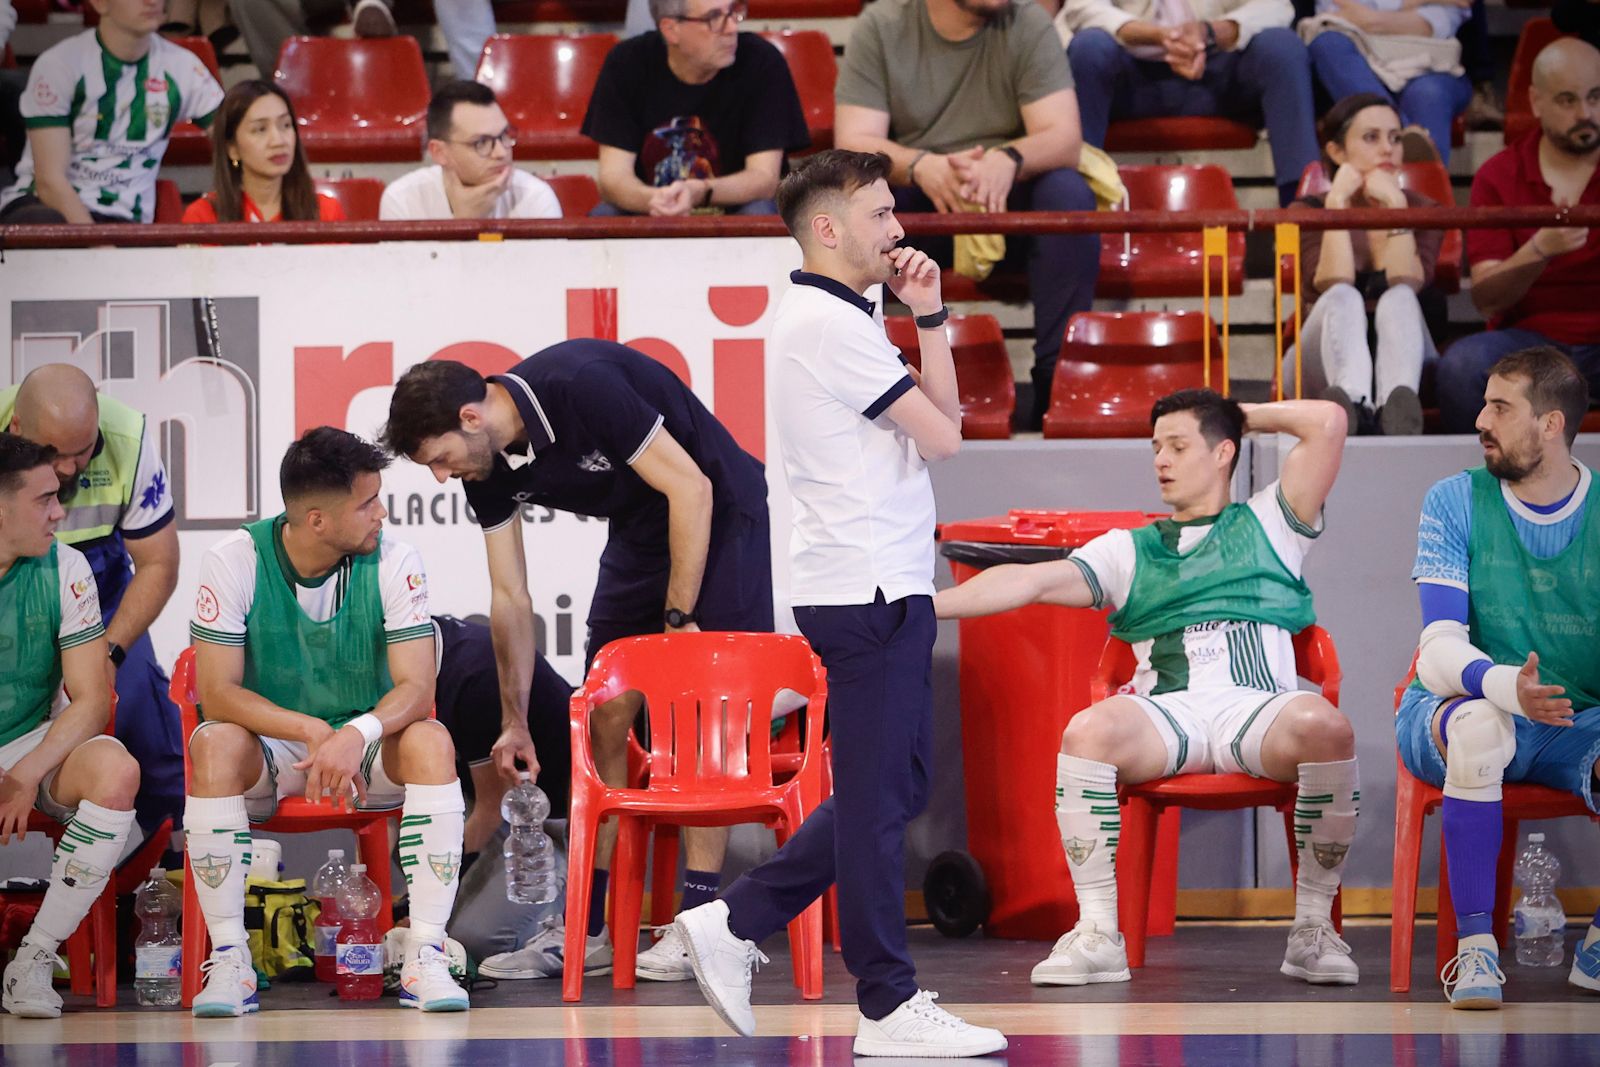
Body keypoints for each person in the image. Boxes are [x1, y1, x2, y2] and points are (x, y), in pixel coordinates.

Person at [671, 150, 1007, 1058]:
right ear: (828, 228)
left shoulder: (847, 317)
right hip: (863, 590)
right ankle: (886, 1003)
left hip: (880, 580)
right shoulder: (825, 323)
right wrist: (921, 322)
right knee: (875, 797)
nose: (896, 229)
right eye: (880, 212)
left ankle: (735, 920)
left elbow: (949, 425)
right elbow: (943, 438)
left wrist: (930, 314)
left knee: (886, 785)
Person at [935, 389, 1359, 988]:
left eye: (1179, 445)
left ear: (1223, 454)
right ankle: (1099, 934)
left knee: (1327, 727)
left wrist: (1233, 413)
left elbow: (1328, 423)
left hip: (1257, 709)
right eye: (1156, 446)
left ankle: (1313, 932)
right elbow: (1029, 583)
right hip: (1171, 715)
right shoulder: (1127, 549)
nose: (1161, 459)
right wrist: (927, 607)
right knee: (1087, 731)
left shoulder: (1272, 521)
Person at [381, 342, 772, 983]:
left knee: (701, 721)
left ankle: (701, 923)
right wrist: (514, 721)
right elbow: (509, 595)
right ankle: (589, 929)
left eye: (441, 460)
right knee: (602, 716)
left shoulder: (581, 387)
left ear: (471, 418)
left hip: (718, 511)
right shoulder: (487, 470)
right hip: (641, 528)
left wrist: (678, 621)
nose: (442, 478)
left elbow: (691, 487)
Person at [183, 428, 468, 1016]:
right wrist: (311, 731)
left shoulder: (394, 557)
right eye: (367, 503)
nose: (381, 514)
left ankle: (424, 955)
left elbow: (418, 688)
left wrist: (353, 733)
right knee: (211, 742)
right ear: (316, 520)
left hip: (363, 745)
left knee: (432, 740)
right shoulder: (233, 559)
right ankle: (231, 959)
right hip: (276, 746)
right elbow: (216, 692)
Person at [1399, 346, 1600, 1009]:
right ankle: (1476, 948)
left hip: (1574, 719)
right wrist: (1502, 684)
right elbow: (1436, 650)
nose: (1480, 418)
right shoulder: (1453, 499)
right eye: (1483, 402)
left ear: (1550, 424)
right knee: (1483, 727)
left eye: (1499, 406)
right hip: (1456, 707)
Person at [835, 0, 1100, 430]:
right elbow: (854, 141)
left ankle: (1058, 380)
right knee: (864, 199)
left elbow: (1064, 136)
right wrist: (922, 166)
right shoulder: (882, 24)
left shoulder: (1028, 19)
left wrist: (1008, 159)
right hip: (921, 202)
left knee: (1066, 191)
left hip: (1008, 198)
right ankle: (876, 377)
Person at [1, 366, 183, 836]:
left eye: (82, 452)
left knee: (144, 719)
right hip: (14, 585)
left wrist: (111, 650)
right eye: (53, 454)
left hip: (102, 594)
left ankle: (159, 867)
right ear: (17, 430)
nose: (66, 469)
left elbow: (159, 563)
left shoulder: (129, 436)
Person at [0, 433, 139, 1020]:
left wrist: (26, 772)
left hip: (29, 740)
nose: (60, 513)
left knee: (115, 768)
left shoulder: (66, 564)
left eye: (59, 497)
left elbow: (90, 700)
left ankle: (33, 959)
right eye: (43, 500)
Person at [1438, 38, 1600, 434]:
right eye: (1567, 100)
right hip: (1533, 345)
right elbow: (1486, 299)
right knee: (1461, 366)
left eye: (1596, 97)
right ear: (1536, 101)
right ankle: (1486, 491)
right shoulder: (1499, 174)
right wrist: (1539, 249)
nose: (1586, 113)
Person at [1051, 0, 1319, 208]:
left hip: (1216, 72)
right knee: (1089, 49)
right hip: (1131, 76)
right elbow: (1082, 7)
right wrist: (1156, 36)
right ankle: (1076, 204)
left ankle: (1303, 210)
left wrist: (1213, 31)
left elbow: (1277, 5)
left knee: (1282, 47)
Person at [1281, 94, 1443, 435]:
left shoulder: (1423, 209)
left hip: (1407, 366)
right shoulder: (1308, 210)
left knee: (1398, 297)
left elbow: (1407, 280)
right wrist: (1337, 203)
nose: (1388, 149)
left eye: (1395, 138)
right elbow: (1330, 280)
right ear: (1337, 152)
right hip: (1319, 364)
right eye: (1371, 138)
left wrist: (1397, 206)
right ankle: (1351, 406)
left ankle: (1394, 413)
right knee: (1342, 294)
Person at [427, 613, 575, 967]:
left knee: (468, 942)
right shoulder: (414, 661)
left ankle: (569, 902)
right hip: (492, 811)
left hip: (544, 827)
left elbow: (490, 813)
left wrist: (430, 903)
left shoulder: (474, 677)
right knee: (406, 824)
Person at [580, 0, 810, 216]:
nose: (731, 28)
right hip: (651, 208)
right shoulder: (626, 62)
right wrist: (653, 200)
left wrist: (699, 192)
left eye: (733, 11)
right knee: (605, 214)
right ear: (671, 29)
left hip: (734, 206)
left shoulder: (762, 61)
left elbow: (764, 180)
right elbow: (613, 178)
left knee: (760, 210)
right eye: (714, 17)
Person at [0, 0, 223, 224]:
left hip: (123, 220)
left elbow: (235, 136)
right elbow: (50, 182)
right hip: (44, 207)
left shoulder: (183, 67)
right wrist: (98, 246)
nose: (152, 1)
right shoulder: (59, 64)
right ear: (100, 3)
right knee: (43, 221)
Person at [1300, 0, 1471, 164]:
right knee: (1328, 45)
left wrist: (1373, 17)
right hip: (1356, 63)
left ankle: (1419, 173)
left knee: (1427, 94)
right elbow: (1339, 12)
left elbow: (1441, 22)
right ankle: (1406, 139)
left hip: (1431, 68)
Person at [380, 81, 560, 222]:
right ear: (439, 152)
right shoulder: (402, 199)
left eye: (504, 135)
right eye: (481, 143)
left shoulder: (536, 197)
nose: (501, 153)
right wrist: (465, 223)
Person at [182, 80, 345, 224]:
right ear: (232, 149)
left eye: (285, 125)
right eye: (260, 129)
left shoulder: (325, 211)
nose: (278, 141)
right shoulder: (203, 217)